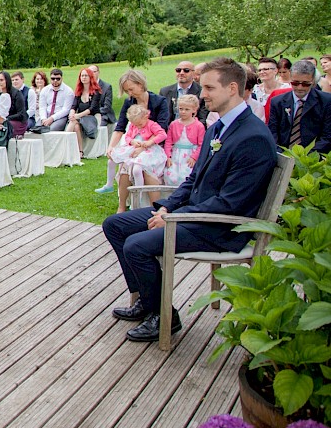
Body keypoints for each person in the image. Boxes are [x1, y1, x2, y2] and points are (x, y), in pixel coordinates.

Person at [103, 57, 277, 342]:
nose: (202, 93)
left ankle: (164, 317)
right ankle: (149, 302)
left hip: (220, 227)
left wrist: (172, 217)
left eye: (208, 88)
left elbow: (230, 203)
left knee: (136, 245)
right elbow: (194, 180)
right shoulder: (219, 127)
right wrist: (168, 206)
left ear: (232, 88)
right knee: (115, 225)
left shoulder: (252, 137)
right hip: (191, 212)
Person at [95, 69, 171, 195]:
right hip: (134, 141)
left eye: (131, 89)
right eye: (126, 91)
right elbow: (120, 127)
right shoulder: (129, 102)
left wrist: (143, 147)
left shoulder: (159, 101)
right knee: (119, 161)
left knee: (140, 166)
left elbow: (162, 128)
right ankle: (119, 195)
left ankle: (142, 196)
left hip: (154, 144)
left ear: (140, 84)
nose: (129, 93)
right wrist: (111, 146)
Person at [109, 104, 168, 213]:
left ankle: (147, 202)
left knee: (142, 168)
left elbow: (162, 134)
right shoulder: (133, 126)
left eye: (140, 124)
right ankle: (122, 205)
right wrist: (132, 141)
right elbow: (127, 136)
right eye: (136, 125)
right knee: (124, 168)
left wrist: (150, 142)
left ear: (146, 117)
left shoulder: (152, 125)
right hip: (134, 150)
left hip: (149, 150)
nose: (139, 127)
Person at [267, 59, 331, 154]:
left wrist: (304, 158)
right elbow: (272, 133)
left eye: (305, 84)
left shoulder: (326, 101)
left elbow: (327, 136)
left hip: (312, 159)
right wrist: (282, 156)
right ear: (290, 79)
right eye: (295, 83)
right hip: (283, 157)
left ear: (313, 81)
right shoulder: (277, 102)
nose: (300, 87)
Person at [163, 94, 206, 186]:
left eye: (187, 109)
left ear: (194, 110)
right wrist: (168, 156)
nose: (183, 112)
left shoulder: (199, 126)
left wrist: (194, 157)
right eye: (181, 109)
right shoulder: (173, 124)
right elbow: (168, 142)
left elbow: (201, 144)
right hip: (176, 155)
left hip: (189, 156)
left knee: (186, 175)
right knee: (171, 176)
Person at [66, 67, 102, 155]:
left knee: (74, 121)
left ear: (90, 77)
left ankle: (65, 144)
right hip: (79, 117)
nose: (84, 77)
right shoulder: (79, 91)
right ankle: (80, 151)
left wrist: (78, 116)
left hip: (92, 116)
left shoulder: (96, 92)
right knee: (76, 126)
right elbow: (74, 105)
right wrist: (72, 113)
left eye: (86, 75)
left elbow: (92, 108)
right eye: (82, 76)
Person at [159, 60, 208, 125]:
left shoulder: (202, 92)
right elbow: (161, 117)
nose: (181, 73)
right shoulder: (165, 92)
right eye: (178, 70)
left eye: (186, 70)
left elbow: (203, 119)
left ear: (193, 74)